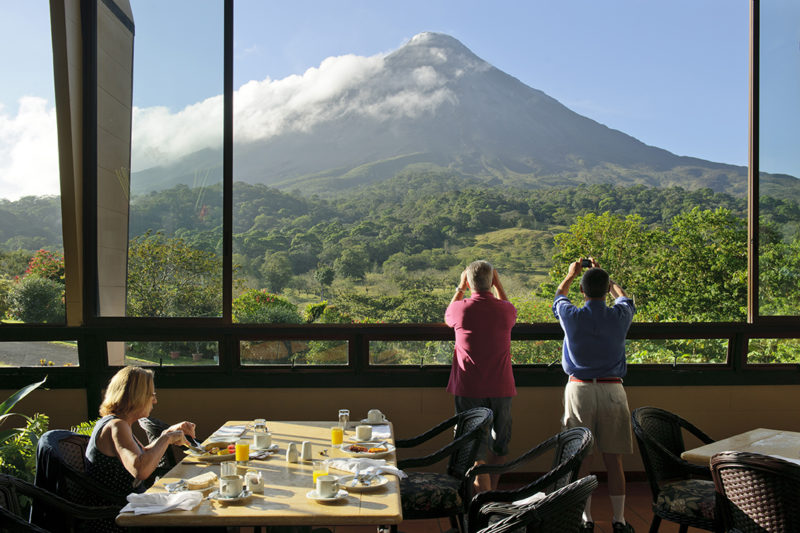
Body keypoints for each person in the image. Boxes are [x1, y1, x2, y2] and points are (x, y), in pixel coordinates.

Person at [552, 257, 636, 533]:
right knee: (615, 460)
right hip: (613, 389)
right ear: (606, 288)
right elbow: (624, 299)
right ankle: (620, 520)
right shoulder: (619, 316)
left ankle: (586, 520)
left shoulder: (572, 316)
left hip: (580, 389)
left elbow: (558, 296)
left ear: (583, 292)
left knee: (582, 459)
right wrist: (605, 278)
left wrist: (571, 274)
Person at [85, 366, 196, 532]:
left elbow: (141, 453)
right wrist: (165, 439)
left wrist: (167, 433)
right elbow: (140, 469)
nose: (155, 401)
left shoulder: (117, 422)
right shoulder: (117, 426)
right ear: (137, 396)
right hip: (119, 517)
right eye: (152, 395)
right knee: (199, 520)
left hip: (130, 507)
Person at [445, 260, 517, 492]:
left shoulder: (460, 309)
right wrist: (499, 284)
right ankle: (490, 496)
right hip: (502, 387)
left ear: (468, 282)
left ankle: (482, 501)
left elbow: (448, 316)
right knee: (499, 446)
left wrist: (460, 286)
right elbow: (508, 305)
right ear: (492, 281)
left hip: (469, 387)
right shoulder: (506, 310)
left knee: (474, 450)